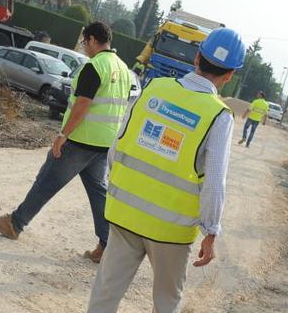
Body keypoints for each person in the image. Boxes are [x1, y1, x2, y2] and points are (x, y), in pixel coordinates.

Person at [87, 27, 246, 313]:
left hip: (125, 213)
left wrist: (118, 186)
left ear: (197, 57)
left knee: (106, 292)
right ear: (230, 75)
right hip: (171, 230)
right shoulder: (219, 117)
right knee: (166, 302)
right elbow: (214, 183)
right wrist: (211, 231)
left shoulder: (154, 88)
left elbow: (117, 143)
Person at [0, 22, 132, 263]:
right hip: (104, 143)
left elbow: (83, 104)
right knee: (98, 193)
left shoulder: (95, 67)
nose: (84, 47)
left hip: (81, 139)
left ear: (93, 39)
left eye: (85, 42)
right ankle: (107, 245)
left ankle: (14, 223)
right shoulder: (123, 69)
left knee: (46, 181)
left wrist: (63, 135)